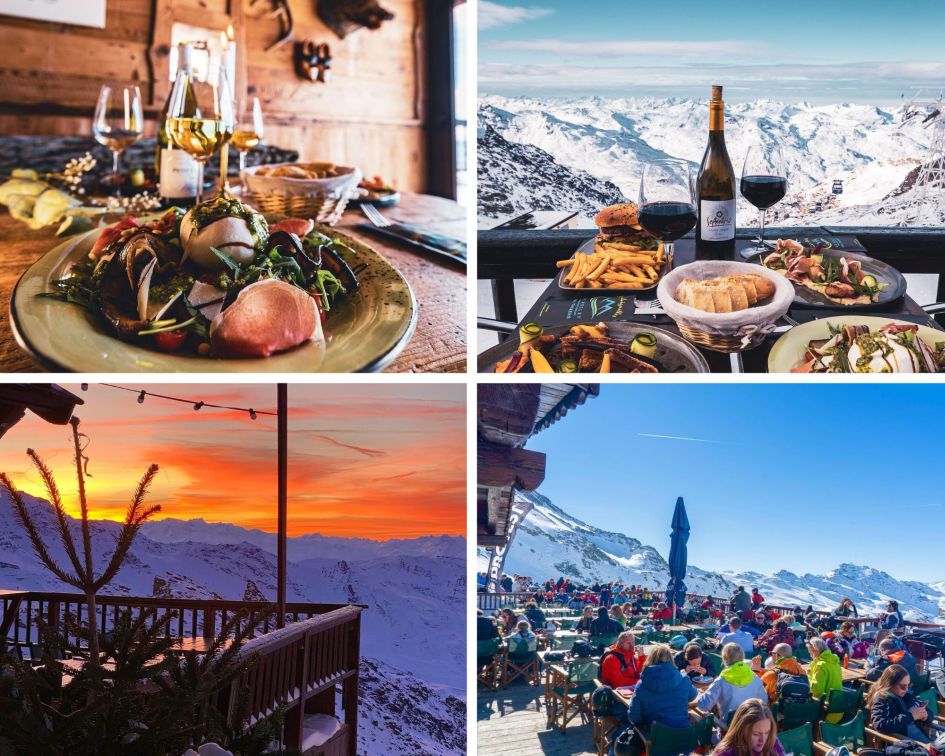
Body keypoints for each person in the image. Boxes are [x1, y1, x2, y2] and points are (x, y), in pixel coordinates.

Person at [695, 643, 768, 725]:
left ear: (724, 659)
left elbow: (703, 706)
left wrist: (703, 694)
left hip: (729, 728)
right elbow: (764, 701)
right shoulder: (754, 677)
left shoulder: (721, 680)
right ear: (742, 658)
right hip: (752, 724)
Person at [628, 644, 698, 730]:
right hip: (684, 734)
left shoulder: (641, 685)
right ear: (671, 659)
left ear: (650, 659)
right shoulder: (683, 679)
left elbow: (634, 717)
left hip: (657, 737)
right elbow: (693, 695)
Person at [867, 664, 932, 744]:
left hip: (917, 738)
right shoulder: (881, 698)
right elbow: (880, 725)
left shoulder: (906, 695)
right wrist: (910, 716)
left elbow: (929, 712)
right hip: (903, 744)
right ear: (889, 684)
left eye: (908, 686)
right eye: (903, 686)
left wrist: (925, 716)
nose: (906, 689)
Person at [711, 698, 785, 756]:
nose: (763, 740)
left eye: (767, 732)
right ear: (741, 730)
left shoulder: (771, 740)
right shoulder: (725, 753)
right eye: (756, 734)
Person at [806, 637, 843, 721]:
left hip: (826, 712)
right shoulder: (835, 661)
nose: (810, 655)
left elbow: (817, 691)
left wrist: (808, 676)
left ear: (815, 650)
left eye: (810, 652)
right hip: (839, 708)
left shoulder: (820, 665)